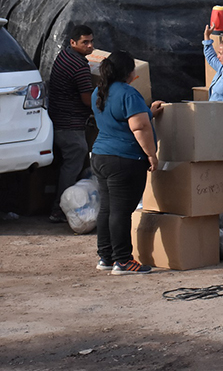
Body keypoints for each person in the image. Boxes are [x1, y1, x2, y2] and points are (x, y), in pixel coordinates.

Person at [90, 51, 164, 275]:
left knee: (107, 209)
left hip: (101, 155)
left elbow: (120, 119)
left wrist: (148, 113)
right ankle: (123, 260)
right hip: (125, 159)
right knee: (121, 212)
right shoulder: (129, 93)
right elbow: (138, 127)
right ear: (130, 72)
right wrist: (151, 154)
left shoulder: (98, 92)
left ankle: (106, 256)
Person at [47, 25, 95, 223]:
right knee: (76, 156)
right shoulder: (79, 66)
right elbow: (87, 100)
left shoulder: (64, 55)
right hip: (69, 123)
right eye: (85, 42)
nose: (90, 46)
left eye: (91, 41)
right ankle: (60, 208)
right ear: (73, 43)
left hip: (57, 117)